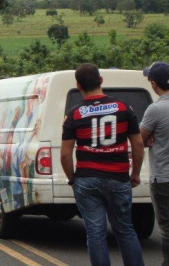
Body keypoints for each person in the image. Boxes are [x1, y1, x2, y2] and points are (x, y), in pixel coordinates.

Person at [60, 63, 145, 266]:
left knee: (95, 234)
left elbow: (65, 154)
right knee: (125, 230)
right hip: (118, 177)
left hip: (87, 179)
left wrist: (72, 178)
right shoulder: (124, 108)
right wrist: (135, 173)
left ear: (78, 85)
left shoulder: (74, 114)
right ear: (101, 80)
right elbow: (138, 143)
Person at [140, 61, 169, 266]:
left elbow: (140, 139)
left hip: (163, 178)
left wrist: (150, 137)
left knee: (167, 228)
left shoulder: (155, 110)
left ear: (153, 83)